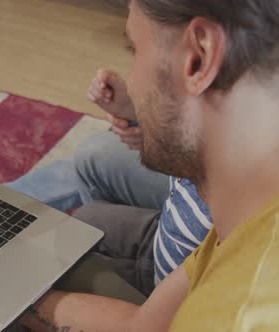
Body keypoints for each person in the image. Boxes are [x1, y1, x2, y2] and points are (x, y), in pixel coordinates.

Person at [21, 0, 279, 331]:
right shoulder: (253, 208)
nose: (133, 83)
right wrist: (35, 302)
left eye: (134, 50)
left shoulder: (240, 316)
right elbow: (145, 324)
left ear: (197, 58)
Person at [72, 68, 211, 296]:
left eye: (135, 50)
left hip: (171, 297)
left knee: (55, 276)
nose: (132, 77)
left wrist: (41, 307)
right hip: (164, 241)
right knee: (83, 218)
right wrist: (145, 119)